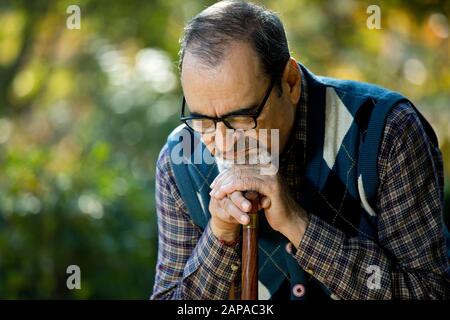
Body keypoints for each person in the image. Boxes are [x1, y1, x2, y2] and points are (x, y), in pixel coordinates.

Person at [151, 0, 450, 300]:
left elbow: (431, 292)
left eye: (242, 118)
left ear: (290, 82)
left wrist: (299, 225)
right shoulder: (179, 163)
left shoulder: (387, 131)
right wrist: (219, 236)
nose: (224, 144)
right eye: (202, 120)